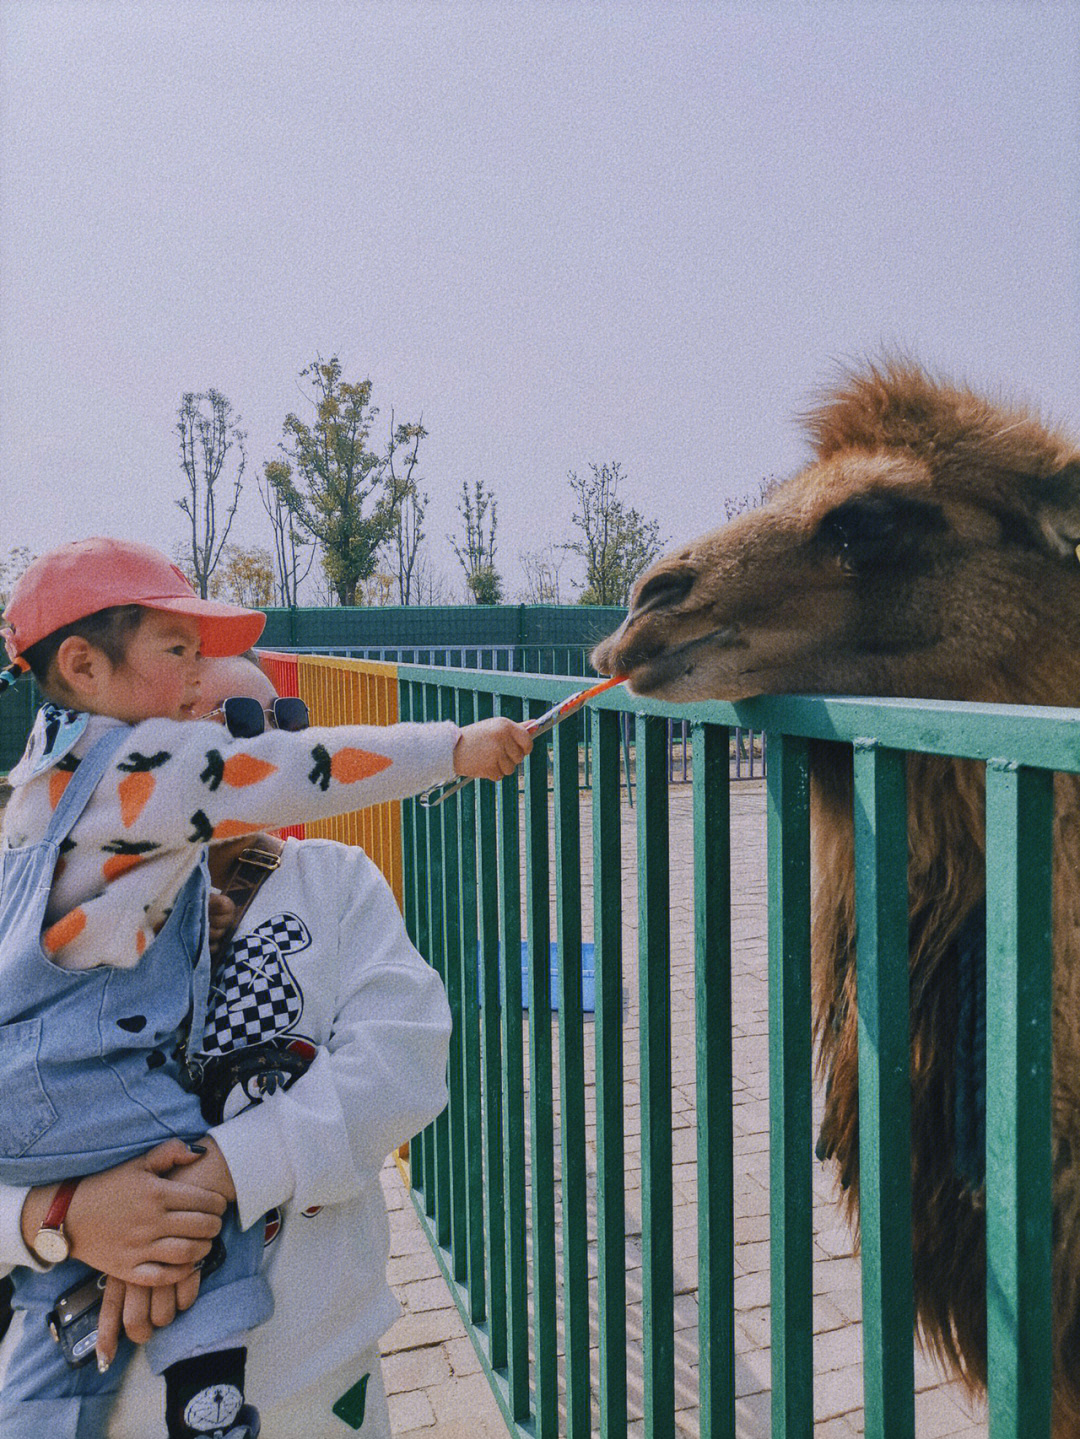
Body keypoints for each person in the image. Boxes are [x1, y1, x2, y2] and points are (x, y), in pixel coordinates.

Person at [0, 538, 530, 1439]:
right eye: (189, 711)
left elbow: (404, 1060)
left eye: (251, 727)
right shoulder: (59, 855)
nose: (224, 759)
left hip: (315, 1384)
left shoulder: (331, 879)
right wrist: (60, 1217)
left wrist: (225, 1174)